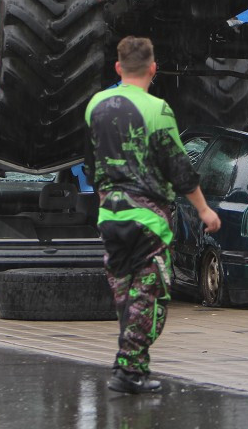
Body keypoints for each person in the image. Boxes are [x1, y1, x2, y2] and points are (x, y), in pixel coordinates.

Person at [84, 36, 221, 394]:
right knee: (152, 299)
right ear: (153, 69)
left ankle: (134, 369)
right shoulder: (158, 111)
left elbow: (91, 160)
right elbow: (179, 168)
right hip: (149, 222)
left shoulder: (96, 106)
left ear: (117, 67)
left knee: (125, 296)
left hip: (110, 219)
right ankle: (128, 372)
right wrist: (204, 210)